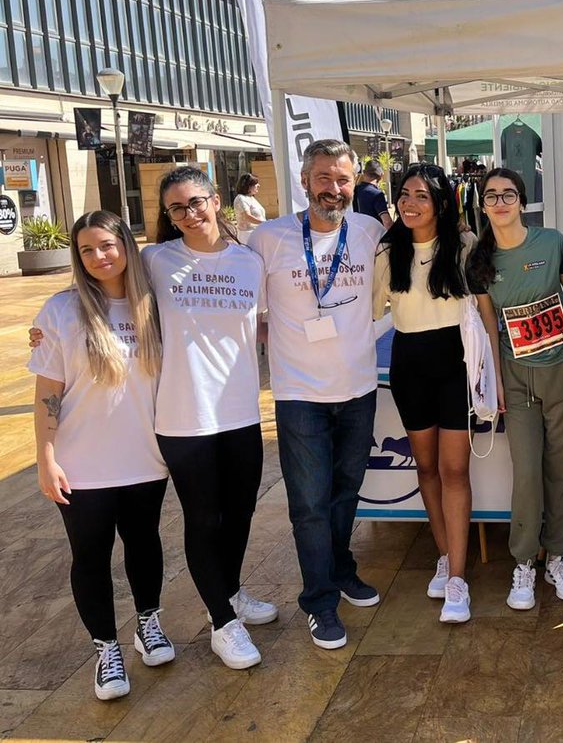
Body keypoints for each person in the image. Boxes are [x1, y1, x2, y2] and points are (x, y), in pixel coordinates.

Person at [29, 210, 174, 701]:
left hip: (145, 457)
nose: (98, 257)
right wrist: (46, 457)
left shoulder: (153, 305)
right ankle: (106, 648)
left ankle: (148, 622)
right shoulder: (60, 311)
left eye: (107, 246)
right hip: (82, 464)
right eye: (87, 250)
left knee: (144, 543)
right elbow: (47, 393)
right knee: (90, 556)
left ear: (126, 247)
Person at [247, 139, 385, 651]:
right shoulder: (269, 238)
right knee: (308, 503)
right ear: (305, 180)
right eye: (323, 177)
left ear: (355, 183)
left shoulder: (370, 232)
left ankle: (342, 567)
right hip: (299, 392)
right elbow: (244, 308)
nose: (334, 187)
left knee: (346, 492)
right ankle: (320, 600)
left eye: (343, 179)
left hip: (358, 387)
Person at [146, 166, 276, 670]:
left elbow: (266, 324)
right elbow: (100, 291)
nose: (189, 213)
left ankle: (231, 590)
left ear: (217, 200)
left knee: (240, 512)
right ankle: (222, 622)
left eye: (196, 202)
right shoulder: (155, 260)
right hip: (183, 417)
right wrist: (50, 329)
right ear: (169, 216)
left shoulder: (249, 263)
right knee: (204, 518)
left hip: (241, 412)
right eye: (177, 208)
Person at [467, 167, 563, 611]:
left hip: (562, 370)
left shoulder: (552, 242)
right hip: (516, 378)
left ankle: (558, 556)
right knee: (526, 471)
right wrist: (497, 383)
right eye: (491, 195)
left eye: (508, 194)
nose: (500, 202)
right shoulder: (479, 261)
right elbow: (488, 328)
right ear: (482, 204)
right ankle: (524, 562)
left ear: (522, 200)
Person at [373, 164, 477, 623]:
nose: (410, 203)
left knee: (455, 470)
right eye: (404, 194)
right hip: (409, 363)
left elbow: (486, 306)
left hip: (455, 363)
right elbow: (368, 307)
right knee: (428, 467)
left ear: (440, 201)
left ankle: (458, 577)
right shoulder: (387, 250)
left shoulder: (464, 245)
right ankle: (443, 554)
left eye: (421, 195)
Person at [354, 159, 393, 229]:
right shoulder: (377, 194)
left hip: (356, 233)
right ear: (381, 176)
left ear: (364, 172)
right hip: (374, 236)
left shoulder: (354, 190)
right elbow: (387, 222)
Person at [233, 173, 267, 241]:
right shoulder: (241, 198)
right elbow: (247, 216)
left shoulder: (251, 198)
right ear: (248, 186)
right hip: (247, 236)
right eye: (255, 184)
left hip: (256, 234)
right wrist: (265, 223)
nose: (258, 185)